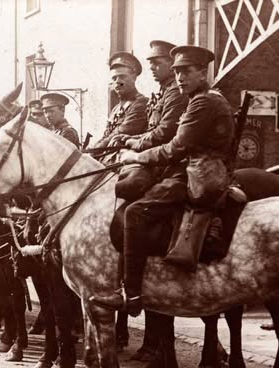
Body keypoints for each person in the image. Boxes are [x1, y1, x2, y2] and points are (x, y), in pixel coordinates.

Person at [98, 45, 235, 316]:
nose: (181, 77)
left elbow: (176, 148)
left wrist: (135, 157)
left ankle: (132, 293)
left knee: (136, 212)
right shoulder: (201, 98)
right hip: (193, 169)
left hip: (199, 175)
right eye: (177, 72)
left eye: (187, 71)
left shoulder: (204, 101)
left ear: (202, 73)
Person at [111, 40, 188, 202]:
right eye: (151, 64)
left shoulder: (175, 92)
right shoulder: (164, 92)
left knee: (127, 186)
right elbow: (153, 129)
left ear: (172, 65)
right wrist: (130, 139)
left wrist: (135, 144)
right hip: (155, 157)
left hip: (167, 162)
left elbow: (165, 132)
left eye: (156, 63)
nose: (151, 68)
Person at [93, 52, 149, 149]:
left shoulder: (141, 103)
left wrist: (93, 151)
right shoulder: (116, 109)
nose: (117, 81)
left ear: (134, 77)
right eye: (114, 78)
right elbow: (106, 136)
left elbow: (120, 133)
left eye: (122, 76)